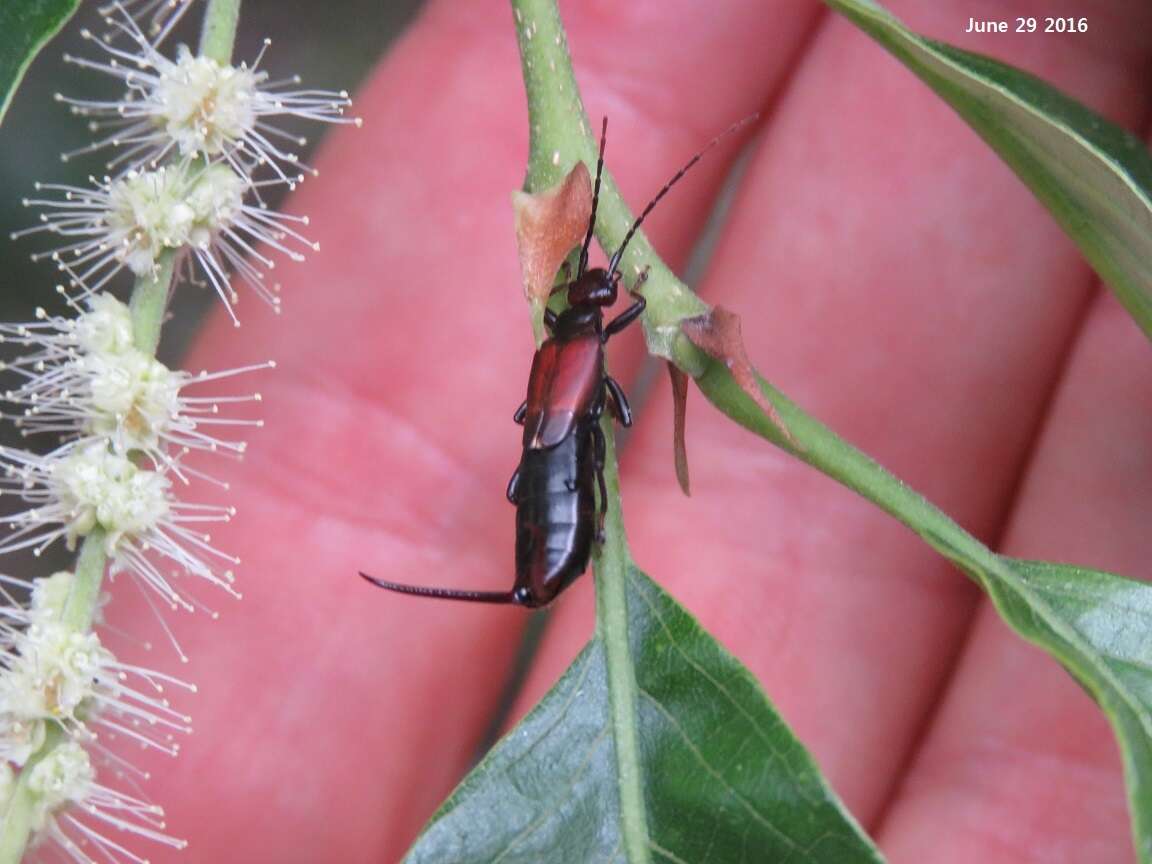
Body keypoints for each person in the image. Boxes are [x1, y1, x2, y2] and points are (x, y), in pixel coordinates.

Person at [113, 1, 1151, 860]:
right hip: (560, 483)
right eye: (605, 294)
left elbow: (560, 418)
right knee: (569, 454)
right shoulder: (591, 338)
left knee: (564, 455)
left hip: (556, 479)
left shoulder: (572, 342)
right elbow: (569, 415)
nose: (607, 299)